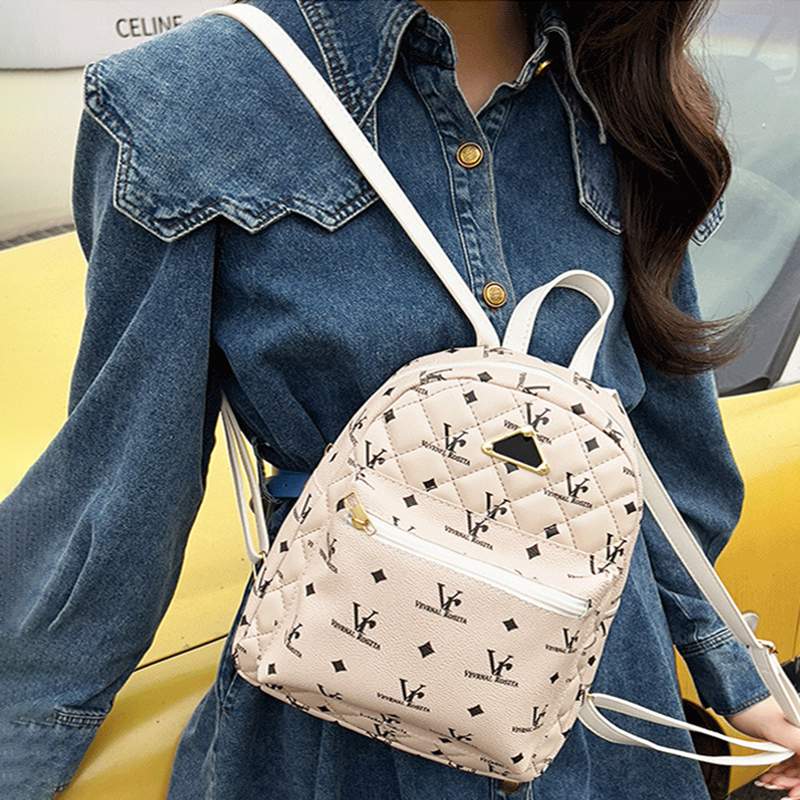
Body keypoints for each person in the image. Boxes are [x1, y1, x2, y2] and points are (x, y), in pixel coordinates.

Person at [1, 1, 799, 798]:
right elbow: (124, 478)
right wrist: (24, 740)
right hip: (343, 716)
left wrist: (735, 667)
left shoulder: (618, 86)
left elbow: (661, 450)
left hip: (603, 702)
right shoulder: (185, 101)